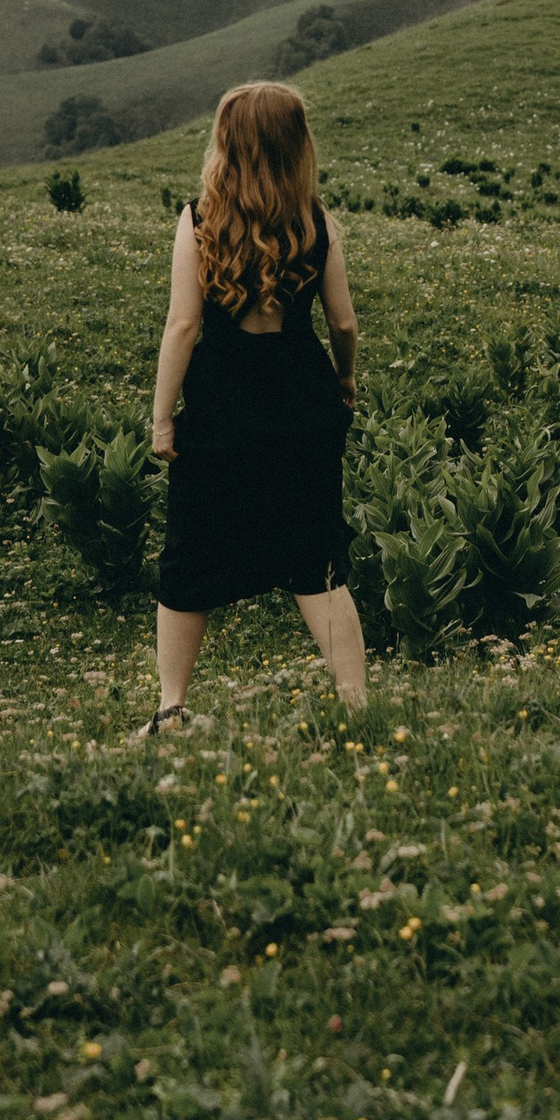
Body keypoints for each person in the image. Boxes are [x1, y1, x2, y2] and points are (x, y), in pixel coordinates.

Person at [142, 78, 368, 733]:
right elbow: (344, 325)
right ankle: (357, 707)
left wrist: (162, 417)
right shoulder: (316, 222)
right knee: (317, 558)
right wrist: (344, 383)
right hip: (304, 403)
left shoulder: (198, 220)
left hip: (220, 411)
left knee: (189, 555)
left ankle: (173, 709)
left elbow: (182, 326)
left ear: (227, 144)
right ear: (297, 146)